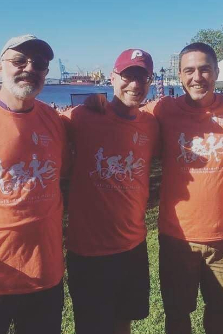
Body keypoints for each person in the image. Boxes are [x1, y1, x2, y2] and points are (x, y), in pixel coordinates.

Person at [143, 42, 223, 334]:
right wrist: (99, 104)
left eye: (205, 69)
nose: (198, 77)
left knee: (219, 311)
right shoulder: (161, 109)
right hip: (177, 235)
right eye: (189, 71)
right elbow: (123, 116)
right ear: (180, 76)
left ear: (216, 72)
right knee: (177, 312)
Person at [61, 49, 159, 334]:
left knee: (123, 321)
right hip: (89, 250)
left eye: (143, 78)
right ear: (112, 78)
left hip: (133, 245)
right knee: (91, 326)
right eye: (128, 76)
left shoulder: (151, 124)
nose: (135, 85)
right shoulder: (80, 117)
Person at [0, 35, 67, 334]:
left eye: (39, 64)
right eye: (19, 61)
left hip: (46, 274)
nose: (30, 68)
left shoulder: (53, 119)